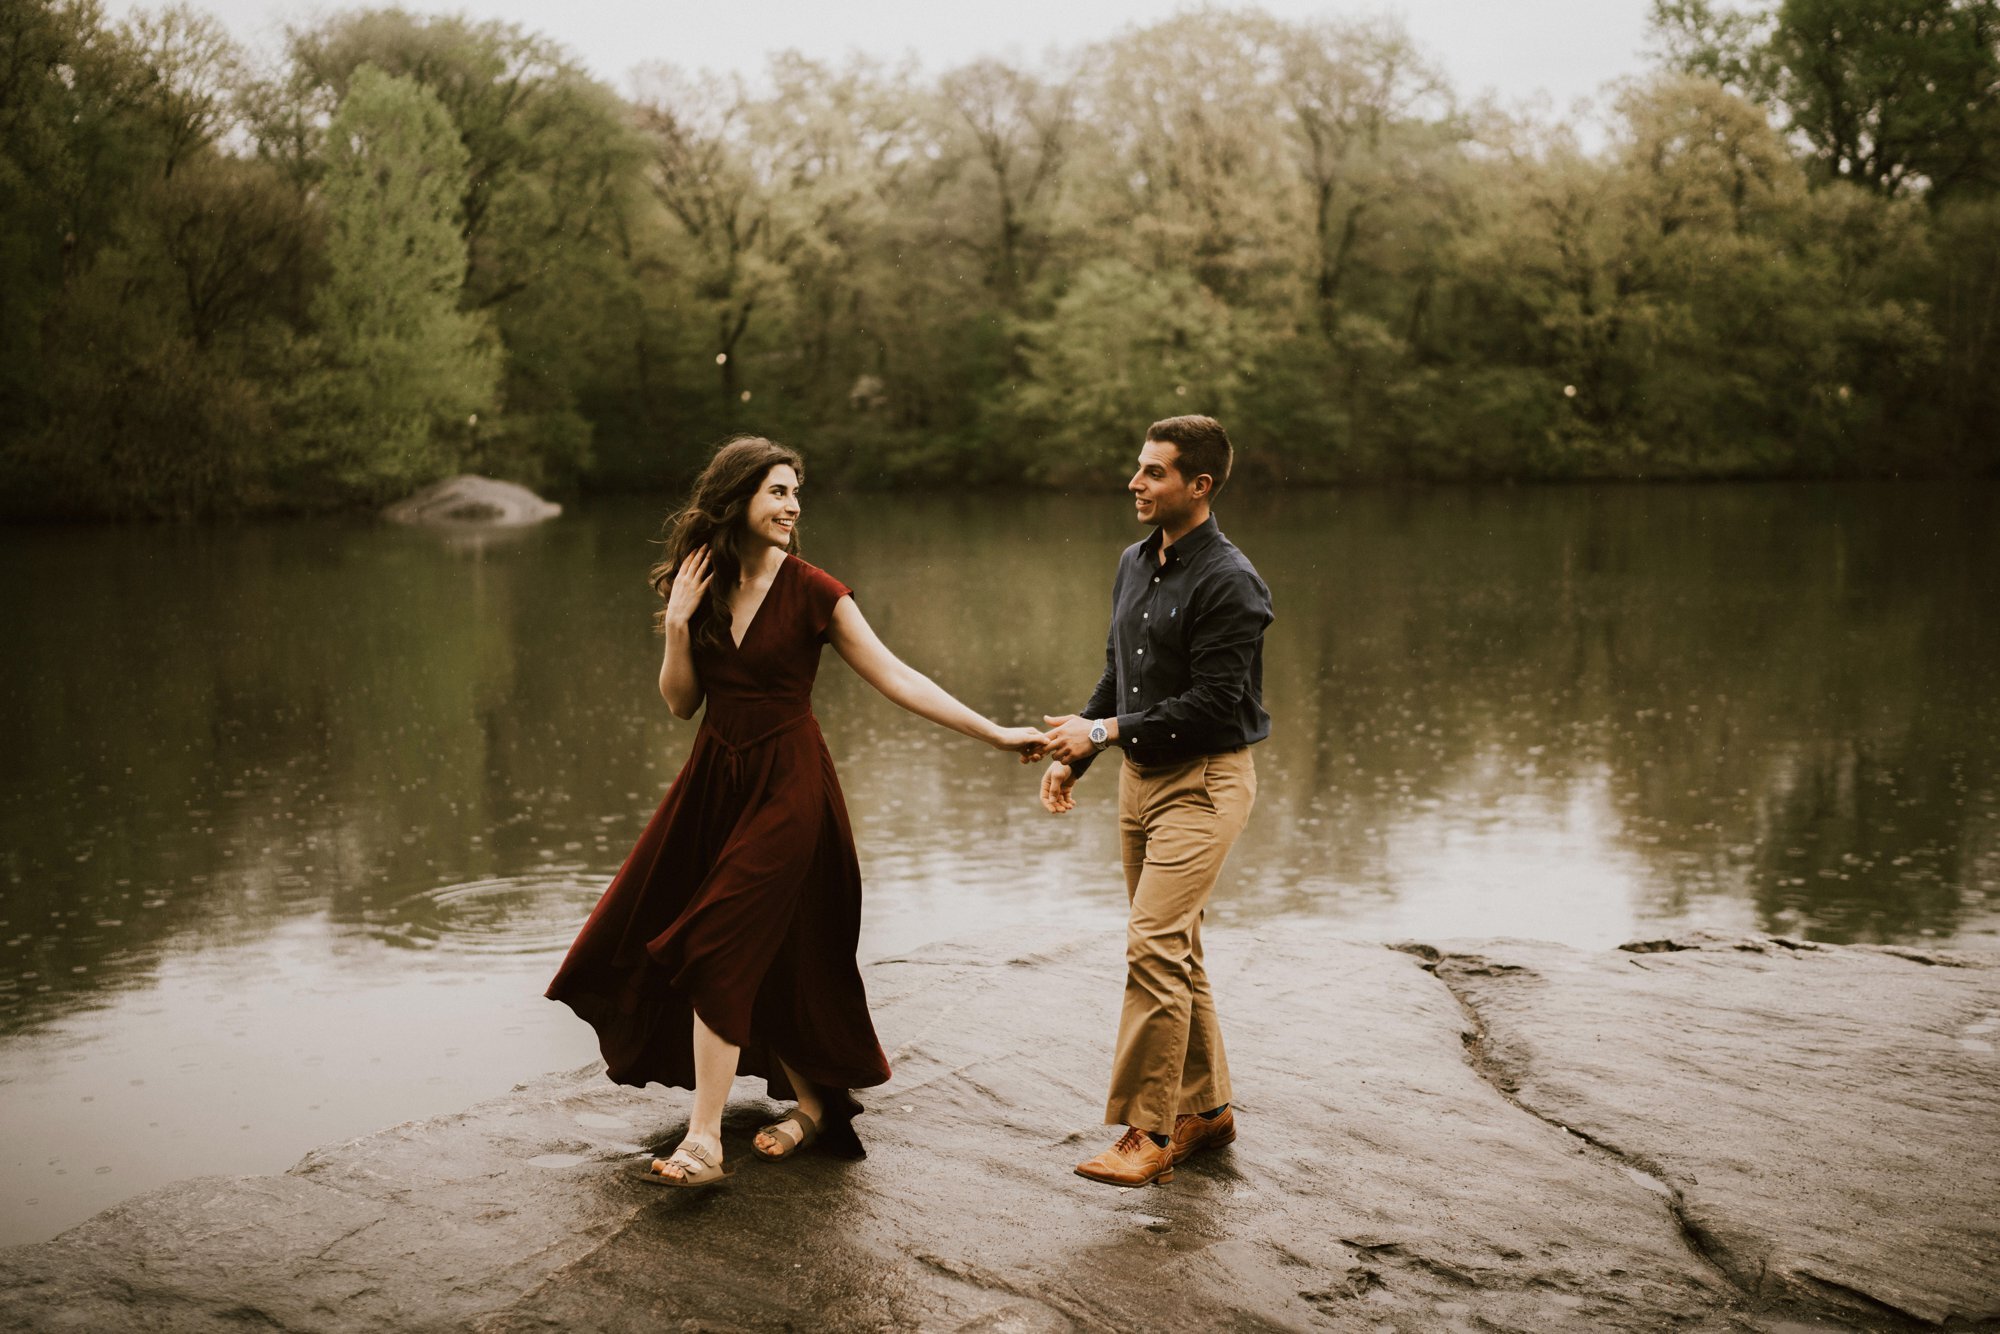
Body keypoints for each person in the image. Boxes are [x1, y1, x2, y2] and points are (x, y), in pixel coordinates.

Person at [547, 436, 1046, 1188]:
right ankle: (813, 1108)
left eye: (795, 492)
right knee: (779, 951)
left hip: (790, 787)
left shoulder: (817, 591)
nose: (792, 506)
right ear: (737, 497)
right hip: (714, 783)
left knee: (717, 939)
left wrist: (997, 733)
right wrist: (678, 625)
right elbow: (683, 704)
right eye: (777, 491)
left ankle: (705, 1142)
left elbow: (897, 677)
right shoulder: (701, 585)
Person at [1038, 414, 1272, 1188]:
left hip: (1205, 783)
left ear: (1198, 486)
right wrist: (1082, 747)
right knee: (1175, 945)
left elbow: (1211, 705)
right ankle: (1206, 1113)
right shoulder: (1134, 562)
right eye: (1138, 468)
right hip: (1141, 780)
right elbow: (1120, 673)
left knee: (1152, 946)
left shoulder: (1231, 581)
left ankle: (1148, 1133)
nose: (1135, 483)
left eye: (1154, 473)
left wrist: (1102, 732)